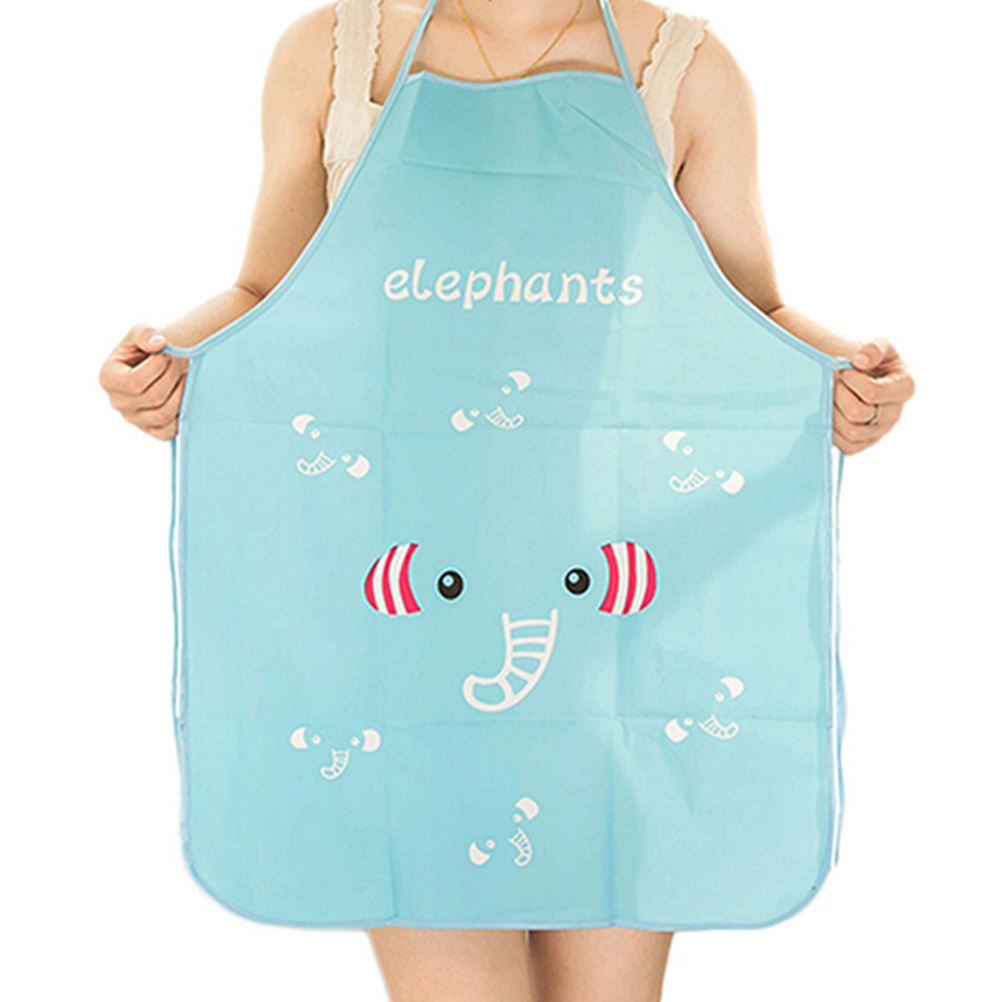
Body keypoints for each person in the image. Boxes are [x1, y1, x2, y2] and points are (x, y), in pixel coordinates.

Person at [98, 2, 915, 999]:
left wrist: (845, 381)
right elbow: (268, 293)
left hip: (610, 608)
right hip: (407, 616)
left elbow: (751, 317)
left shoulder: (685, 72)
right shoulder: (333, 57)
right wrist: (172, 363)